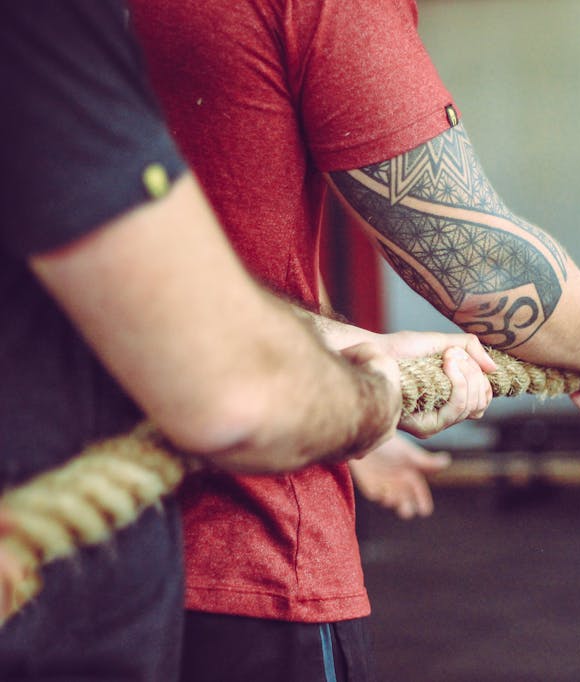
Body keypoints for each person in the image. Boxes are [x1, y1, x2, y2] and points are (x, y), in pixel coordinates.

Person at [127, 1, 580, 680]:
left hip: (41, 551)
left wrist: (343, 394)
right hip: (235, 546)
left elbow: (144, 268)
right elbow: (480, 267)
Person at [0, 2, 495, 679]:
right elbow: (489, 267)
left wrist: (344, 363)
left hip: (132, 558)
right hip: (224, 548)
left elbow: (133, 286)